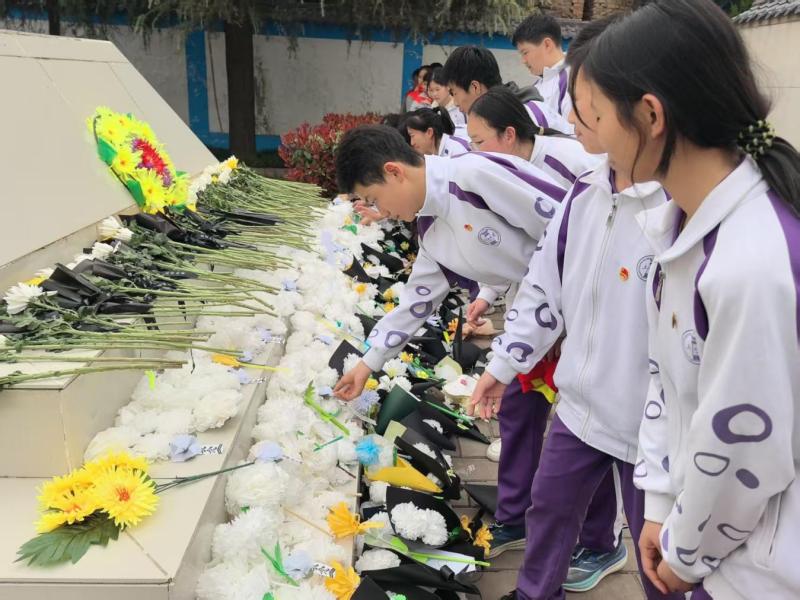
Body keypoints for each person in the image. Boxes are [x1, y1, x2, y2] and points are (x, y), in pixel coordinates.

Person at [578, 1, 800, 598]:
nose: (593, 137)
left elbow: (744, 448)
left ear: (650, 115)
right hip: (721, 552)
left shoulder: (750, 261)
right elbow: (667, 379)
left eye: (597, 115)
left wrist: (687, 553)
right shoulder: (679, 227)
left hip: (762, 574)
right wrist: (658, 502)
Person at [469, 14, 684, 600]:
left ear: (645, 109)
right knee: (548, 511)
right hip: (581, 407)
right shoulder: (586, 193)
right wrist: (503, 365)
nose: (570, 116)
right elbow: (545, 288)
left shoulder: (678, 211)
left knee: (660, 563)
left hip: (653, 430)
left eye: (586, 104)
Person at [467, 85, 601, 189]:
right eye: (472, 144)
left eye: (479, 142)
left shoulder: (570, 161)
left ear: (509, 135)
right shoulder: (504, 172)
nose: (475, 152)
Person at [441, 45, 572, 134]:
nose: (455, 103)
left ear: (475, 87)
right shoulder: (501, 114)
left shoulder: (523, 118)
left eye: (454, 93)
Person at [512, 14, 572, 128]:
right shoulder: (539, 84)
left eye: (525, 53)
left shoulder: (571, 79)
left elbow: (574, 132)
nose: (523, 61)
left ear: (547, 45)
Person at [406, 107, 471, 158]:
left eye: (412, 135)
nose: (412, 143)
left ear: (429, 132)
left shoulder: (456, 151)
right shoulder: (435, 154)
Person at [425, 66, 468, 134]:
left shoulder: (459, 109)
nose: (434, 94)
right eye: (431, 90)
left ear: (448, 86)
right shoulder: (431, 107)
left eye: (437, 89)